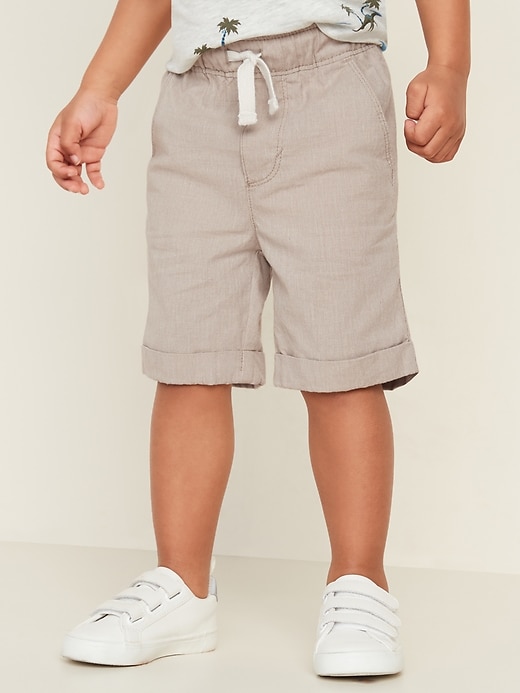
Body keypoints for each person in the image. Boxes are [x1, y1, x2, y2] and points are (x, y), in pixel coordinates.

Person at [46, 0, 470, 678]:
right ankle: (182, 586)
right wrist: (100, 87)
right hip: (195, 102)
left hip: (330, 84)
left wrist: (449, 64)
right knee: (190, 350)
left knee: (341, 352)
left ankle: (360, 581)